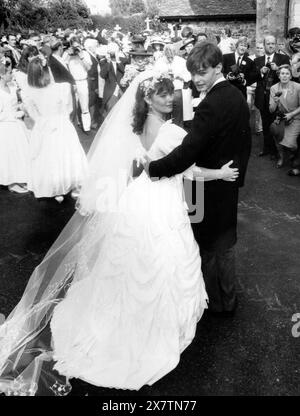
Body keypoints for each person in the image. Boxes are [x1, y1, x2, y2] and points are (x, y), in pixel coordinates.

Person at [0, 69, 240, 395]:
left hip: (139, 195)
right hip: (162, 203)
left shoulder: (138, 126)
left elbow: (141, 165)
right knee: (160, 259)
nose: (170, 98)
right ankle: (149, 328)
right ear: (148, 98)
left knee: (130, 263)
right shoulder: (169, 132)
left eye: (171, 92)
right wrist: (221, 172)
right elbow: (190, 170)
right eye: (163, 93)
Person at [144, 42, 252, 316]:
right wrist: (236, 177)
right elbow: (245, 142)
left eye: (203, 72)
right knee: (225, 245)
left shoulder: (211, 104)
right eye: (193, 73)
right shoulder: (236, 95)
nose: (197, 79)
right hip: (227, 180)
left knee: (208, 247)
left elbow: (187, 153)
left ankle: (216, 305)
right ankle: (228, 300)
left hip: (208, 186)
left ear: (219, 68)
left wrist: (153, 169)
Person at [24, 56, 87, 203]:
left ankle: (53, 189)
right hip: (62, 124)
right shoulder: (63, 87)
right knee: (66, 155)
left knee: (48, 157)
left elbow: (34, 115)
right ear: (48, 70)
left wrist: (45, 122)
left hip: (43, 126)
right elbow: (70, 109)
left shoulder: (28, 92)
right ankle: (70, 185)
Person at [254, 35, 290, 158]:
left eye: (273, 43)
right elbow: (253, 78)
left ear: (275, 45)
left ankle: (277, 151)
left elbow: (288, 76)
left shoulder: (283, 58)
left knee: (276, 125)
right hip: (262, 97)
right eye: (268, 43)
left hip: (277, 98)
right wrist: (260, 72)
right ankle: (267, 148)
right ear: (264, 45)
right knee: (265, 124)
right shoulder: (257, 61)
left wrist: (277, 70)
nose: (270, 45)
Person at [0, 63, 30, 194]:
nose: (11, 75)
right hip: (6, 125)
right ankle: (11, 182)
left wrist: (20, 108)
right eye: (8, 73)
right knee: (10, 153)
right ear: (1, 75)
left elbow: (15, 103)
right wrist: (14, 115)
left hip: (17, 123)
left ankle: (21, 177)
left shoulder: (12, 86)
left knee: (21, 151)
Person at [269, 64, 300, 168]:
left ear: (291, 76)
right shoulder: (274, 88)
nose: (284, 76)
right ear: (278, 75)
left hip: (295, 117)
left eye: (287, 74)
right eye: (282, 73)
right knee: (277, 139)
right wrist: (275, 101)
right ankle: (281, 157)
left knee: (292, 144)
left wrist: (291, 114)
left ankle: (293, 153)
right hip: (281, 118)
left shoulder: (297, 87)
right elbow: (271, 109)